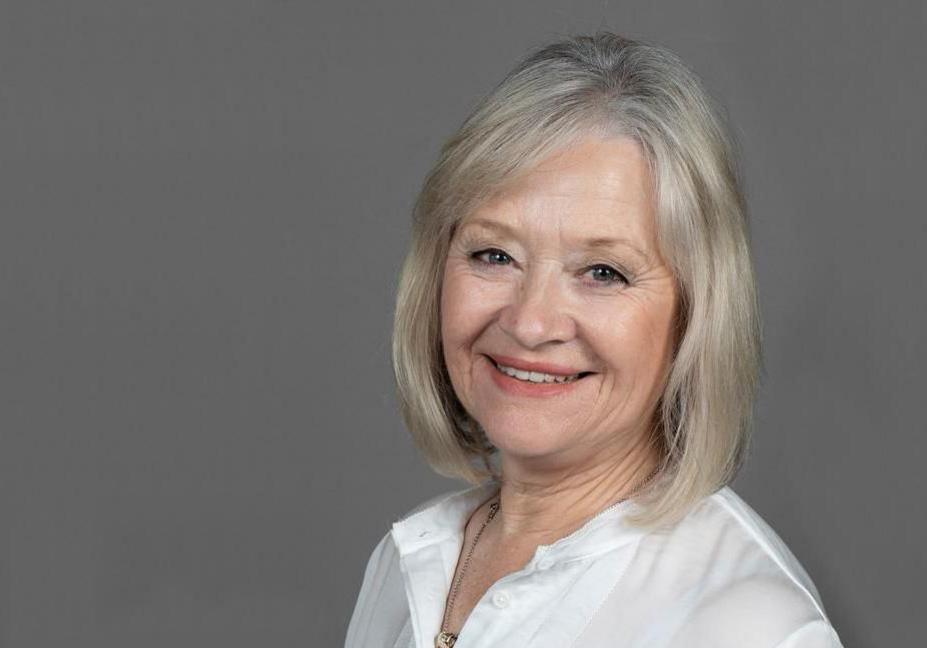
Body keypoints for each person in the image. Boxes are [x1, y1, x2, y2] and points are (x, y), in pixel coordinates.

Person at [345, 32, 844, 648]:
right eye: (494, 254)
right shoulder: (409, 561)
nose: (530, 323)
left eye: (603, 272)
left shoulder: (746, 628)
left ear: (694, 313)